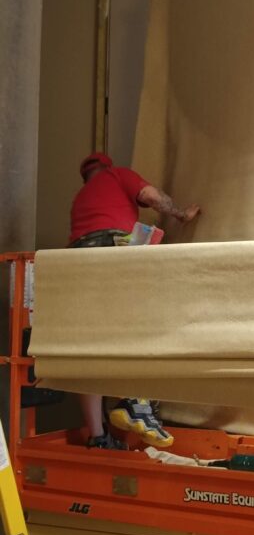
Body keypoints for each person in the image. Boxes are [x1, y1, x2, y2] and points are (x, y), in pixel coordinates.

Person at [69, 152, 201, 450]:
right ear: (107, 167)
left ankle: (97, 437)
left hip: (76, 261)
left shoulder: (79, 198)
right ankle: (134, 402)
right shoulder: (117, 175)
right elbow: (151, 196)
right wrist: (181, 214)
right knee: (136, 323)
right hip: (113, 249)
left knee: (90, 347)